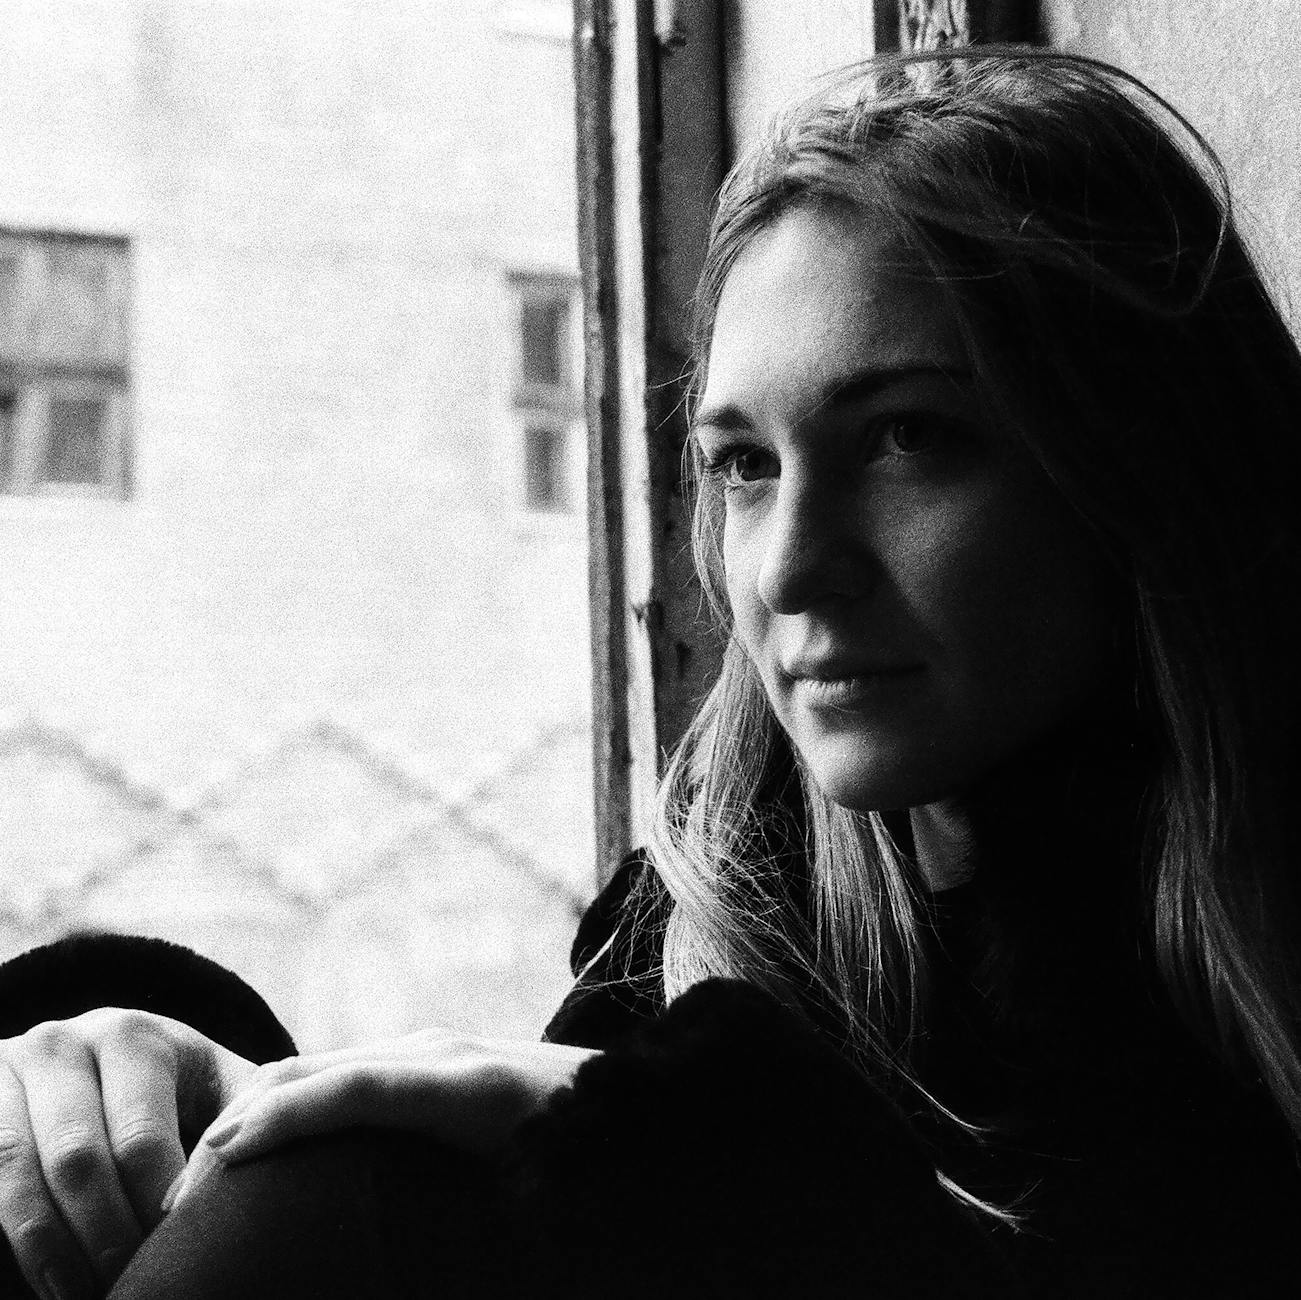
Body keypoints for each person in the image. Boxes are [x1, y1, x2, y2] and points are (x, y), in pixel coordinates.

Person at [3, 47, 1301, 1298]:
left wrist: (663, 1147)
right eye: (745, 463)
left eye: (908, 437)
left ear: (1141, 466)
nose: (788, 570)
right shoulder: (720, 899)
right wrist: (160, 1075)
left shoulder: (1232, 1012)